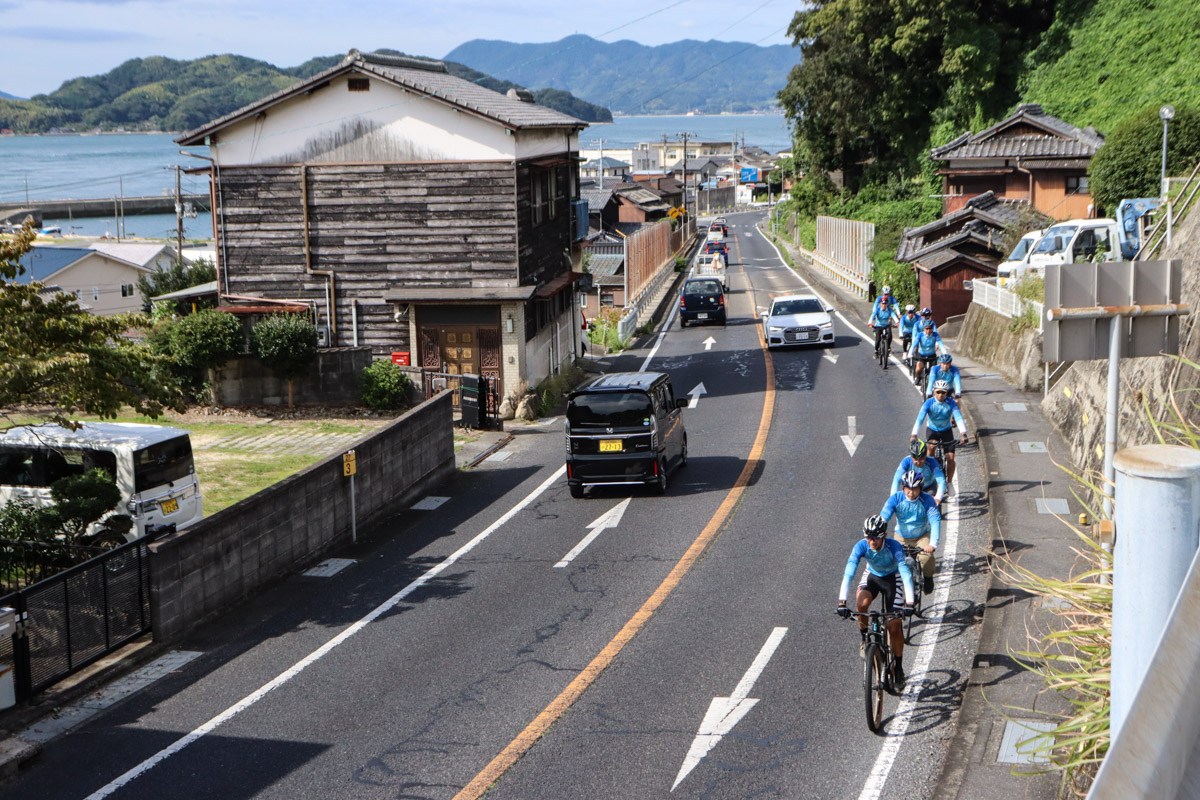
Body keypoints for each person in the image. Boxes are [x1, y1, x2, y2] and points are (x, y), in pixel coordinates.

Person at [838, 515, 915, 685]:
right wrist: (842, 602)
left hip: (893, 578)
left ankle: (899, 668)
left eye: (876, 537)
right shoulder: (861, 546)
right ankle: (865, 639)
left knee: (893, 625)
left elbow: (905, 575)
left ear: (884, 536)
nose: (872, 541)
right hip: (872, 576)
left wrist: (910, 602)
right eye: (869, 537)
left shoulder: (894, 547)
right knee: (861, 604)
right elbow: (849, 573)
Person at [881, 470, 942, 596]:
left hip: (922, 536)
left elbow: (935, 521)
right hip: (901, 536)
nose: (911, 492)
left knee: (926, 558)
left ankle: (928, 577)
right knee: (892, 562)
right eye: (908, 488)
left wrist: (933, 544)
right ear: (903, 487)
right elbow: (884, 518)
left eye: (915, 489)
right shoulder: (896, 499)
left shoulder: (928, 500)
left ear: (920, 488)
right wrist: (879, 533)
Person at [911, 379, 969, 485]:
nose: (940, 395)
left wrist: (963, 434)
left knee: (950, 458)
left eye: (943, 392)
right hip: (932, 430)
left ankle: (950, 482)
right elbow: (920, 419)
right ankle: (931, 474)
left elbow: (958, 418)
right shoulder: (928, 403)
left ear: (947, 393)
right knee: (931, 449)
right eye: (938, 392)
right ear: (934, 392)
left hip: (946, 430)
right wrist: (914, 434)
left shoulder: (951, 403)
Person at [890, 438, 946, 504]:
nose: (919, 463)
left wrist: (938, 498)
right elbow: (897, 480)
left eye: (922, 459)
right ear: (911, 457)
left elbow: (941, 481)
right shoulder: (906, 461)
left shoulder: (932, 462)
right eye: (915, 460)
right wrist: (893, 498)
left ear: (926, 455)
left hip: (928, 487)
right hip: (912, 487)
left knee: (931, 503)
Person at [909, 321, 947, 387]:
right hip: (922, 355)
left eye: (930, 328)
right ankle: (918, 377)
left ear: (932, 329)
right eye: (927, 328)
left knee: (933, 371)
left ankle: (931, 385)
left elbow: (941, 344)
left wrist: (945, 353)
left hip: (932, 356)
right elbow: (914, 344)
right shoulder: (920, 335)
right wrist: (910, 353)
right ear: (924, 329)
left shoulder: (935, 335)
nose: (928, 330)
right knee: (918, 369)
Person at [868, 292, 899, 367]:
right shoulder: (878, 310)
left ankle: (888, 347)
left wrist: (897, 322)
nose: (884, 305)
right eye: (882, 304)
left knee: (890, 336)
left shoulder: (889, 310)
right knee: (878, 339)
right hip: (878, 326)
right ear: (880, 304)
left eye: (885, 304)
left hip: (887, 325)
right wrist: (870, 323)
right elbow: (872, 316)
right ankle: (876, 351)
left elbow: (894, 316)